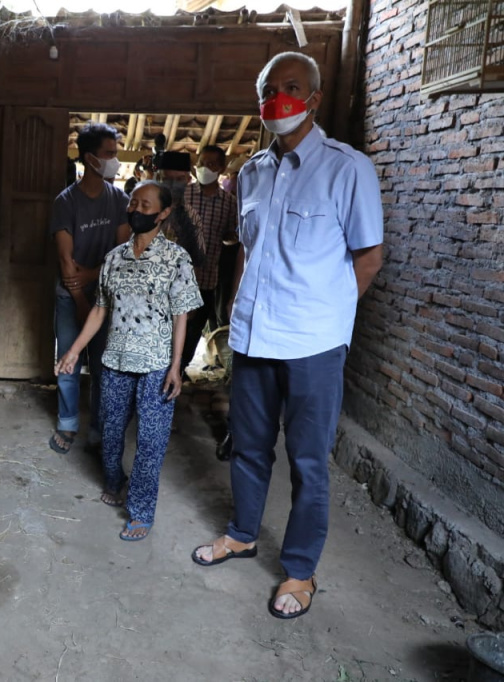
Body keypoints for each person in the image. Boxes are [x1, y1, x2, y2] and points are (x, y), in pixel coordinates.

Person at [191, 51, 384, 620]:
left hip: (314, 345)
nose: (278, 97)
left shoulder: (348, 169)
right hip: (253, 338)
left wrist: (328, 320)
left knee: (307, 460)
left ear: (316, 97)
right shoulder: (250, 172)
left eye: (292, 86)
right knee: (248, 447)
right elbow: (250, 252)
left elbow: (369, 258)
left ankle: (300, 570)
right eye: (268, 88)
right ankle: (243, 532)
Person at [56, 181, 202, 541]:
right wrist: (73, 352)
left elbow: (182, 314)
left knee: (151, 442)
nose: (136, 209)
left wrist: (175, 366)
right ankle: (115, 480)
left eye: (146, 204)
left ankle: (140, 511)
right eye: (133, 202)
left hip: (155, 364)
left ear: (164, 213)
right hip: (116, 359)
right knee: (110, 431)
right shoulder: (114, 257)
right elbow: (100, 310)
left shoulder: (176, 259)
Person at [49, 123, 130, 455]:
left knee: (101, 368)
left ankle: (97, 429)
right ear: (90, 158)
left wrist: (93, 273)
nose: (115, 161)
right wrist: (82, 299)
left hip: (107, 297)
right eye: (109, 154)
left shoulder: (120, 200)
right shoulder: (66, 202)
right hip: (71, 297)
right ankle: (68, 424)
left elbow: (122, 255)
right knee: (67, 361)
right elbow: (67, 264)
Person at [180, 145, 238, 376]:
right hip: (178, 277)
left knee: (194, 331)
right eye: (202, 163)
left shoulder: (229, 203)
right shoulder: (183, 195)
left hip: (206, 278)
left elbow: (230, 236)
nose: (205, 168)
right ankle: (164, 371)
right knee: (173, 326)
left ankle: (181, 368)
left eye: (212, 164)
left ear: (222, 168)